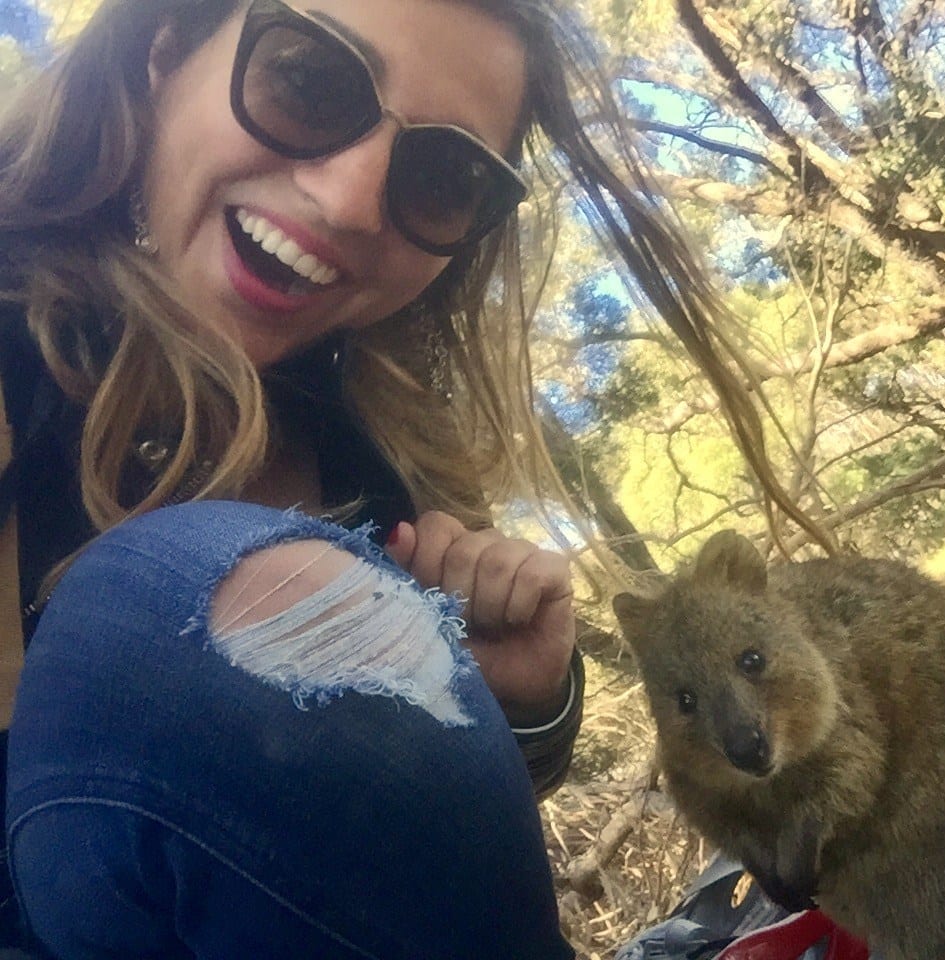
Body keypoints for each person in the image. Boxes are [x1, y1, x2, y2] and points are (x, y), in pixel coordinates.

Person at [0, 0, 833, 955]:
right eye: (308, 83)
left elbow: (371, 870)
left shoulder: (373, 464)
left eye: (442, 176)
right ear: (167, 53)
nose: (352, 200)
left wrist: (513, 707)